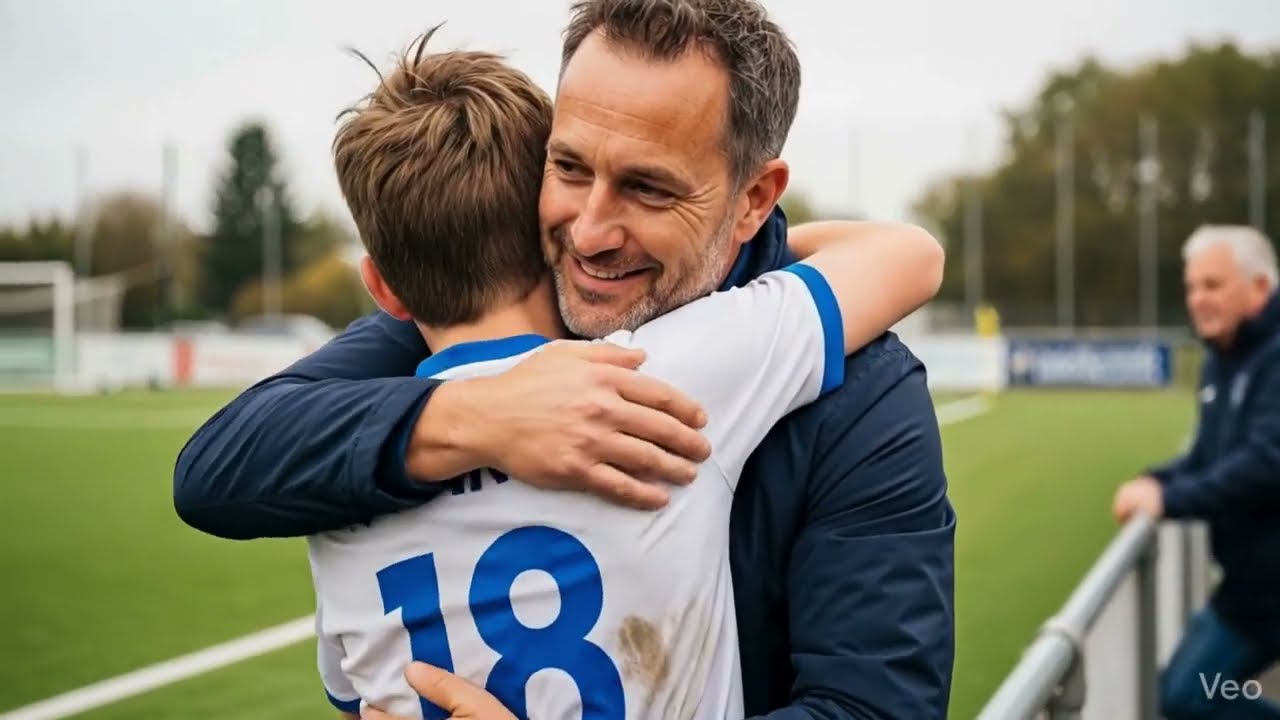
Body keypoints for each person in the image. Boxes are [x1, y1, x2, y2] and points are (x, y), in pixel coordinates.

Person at [173, 1, 958, 716]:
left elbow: (877, 708)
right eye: (571, 167)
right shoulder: (512, 302)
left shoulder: (865, 390)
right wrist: (480, 417)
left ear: (754, 199)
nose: (587, 233)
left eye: (648, 189)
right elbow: (218, 465)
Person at [1113, 224, 1280, 720]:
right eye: (1191, 286)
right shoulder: (1221, 360)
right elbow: (1209, 458)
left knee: (1192, 694)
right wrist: (1156, 480)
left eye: (1213, 285)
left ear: (1260, 288)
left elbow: (1268, 463)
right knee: (1188, 693)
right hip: (1252, 592)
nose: (1197, 299)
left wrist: (1168, 501)